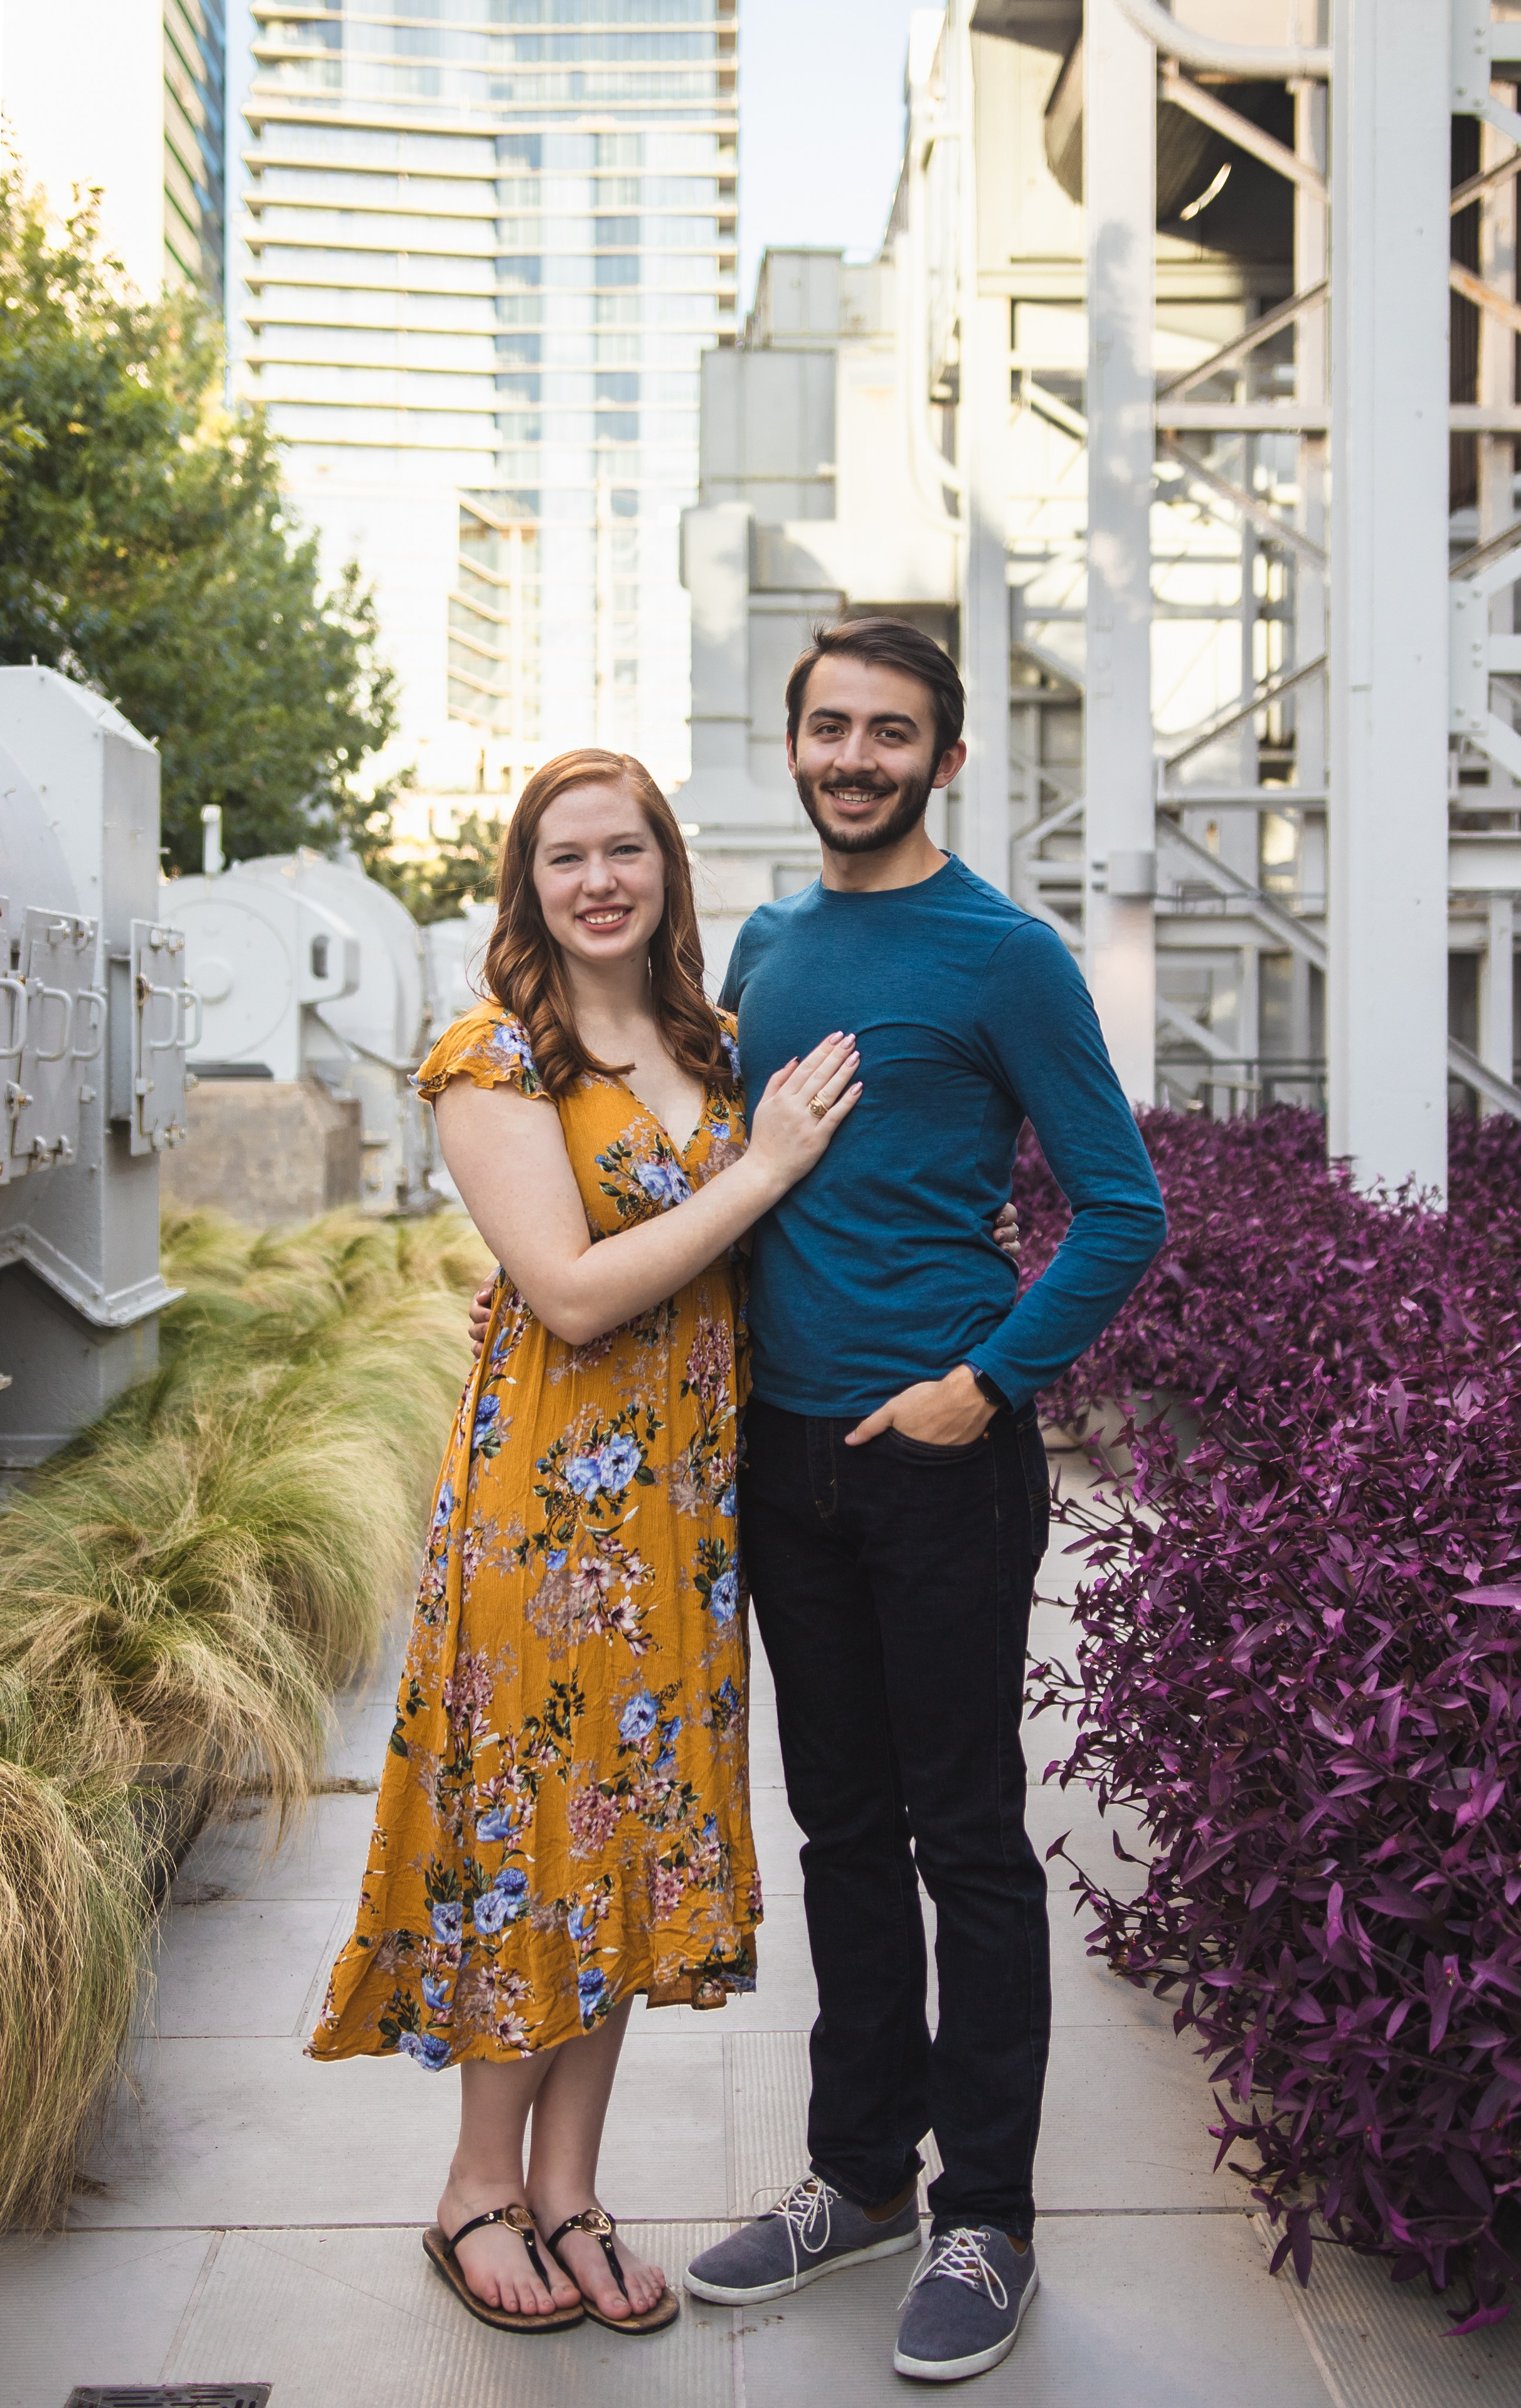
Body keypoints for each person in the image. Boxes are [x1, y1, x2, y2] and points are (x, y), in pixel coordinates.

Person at [307, 749, 866, 2341]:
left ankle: (571, 2190)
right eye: (566, 857)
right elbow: (565, 1287)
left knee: (626, 1833)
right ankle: (475, 2188)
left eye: (626, 849)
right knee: (531, 1835)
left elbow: (777, 1249)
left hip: (686, 1515)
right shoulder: (494, 1058)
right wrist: (761, 1172)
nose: (599, 879)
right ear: (527, 884)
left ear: (666, 870)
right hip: (547, 1517)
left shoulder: (716, 1041)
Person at [676, 619, 1168, 2384]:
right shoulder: (770, 940)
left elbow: (1123, 1205)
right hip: (784, 1459)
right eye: (831, 727)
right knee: (837, 1833)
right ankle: (858, 2177)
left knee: (965, 1838)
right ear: (792, 744)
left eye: (892, 732)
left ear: (945, 760)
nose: (857, 755)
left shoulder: (1005, 956)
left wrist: (987, 1386)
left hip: (942, 1459)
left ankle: (990, 2219)